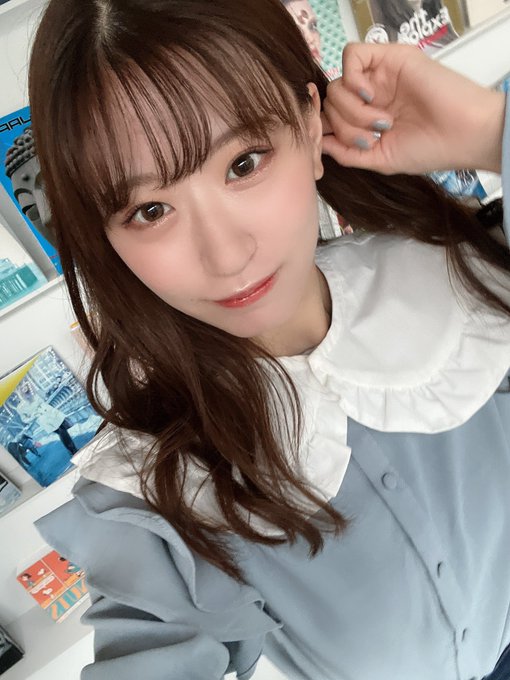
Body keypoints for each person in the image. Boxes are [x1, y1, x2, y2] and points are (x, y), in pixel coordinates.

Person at [28, 1, 510, 679]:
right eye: (150, 210)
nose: (226, 255)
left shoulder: (453, 279)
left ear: (310, 124)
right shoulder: (155, 488)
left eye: (244, 162)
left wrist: (489, 131)